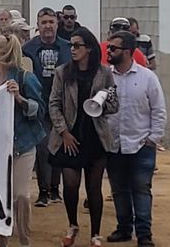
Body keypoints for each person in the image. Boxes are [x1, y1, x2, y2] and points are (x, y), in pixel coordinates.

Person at [48, 28, 119, 247]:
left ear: (89, 48)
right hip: (69, 136)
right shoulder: (62, 72)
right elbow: (54, 104)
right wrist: (64, 132)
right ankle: (73, 224)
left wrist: (102, 102)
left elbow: (115, 104)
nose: (73, 49)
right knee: (69, 185)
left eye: (77, 45)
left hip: (95, 136)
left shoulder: (105, 72)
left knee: (94, 187)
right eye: (71, 45)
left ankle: (95, 233)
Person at [0, 34, 46, 247]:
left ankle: (24, 240)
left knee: (21, 195)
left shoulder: (25, 78)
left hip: (23, 144)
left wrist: (19, 99)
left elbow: (40, 110)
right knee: (0, 196)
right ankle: (1, 241)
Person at [104, 31, 166, 247]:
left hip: (141, 144)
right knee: (118, 189)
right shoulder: (105, 77)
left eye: (113, 48)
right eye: (108, 47)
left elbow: (158, 110)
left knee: (141, 188)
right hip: (114, 144)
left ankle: (144, 234)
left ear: (128, 52)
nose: (108, 51)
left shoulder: (147, 77)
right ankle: (123, 228)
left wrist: (153, 138)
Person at [22, 7, 72, 207]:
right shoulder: (27, 49)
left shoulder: (68, 48)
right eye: (44, 22)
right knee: (42, 148)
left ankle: (55, 189)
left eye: (51, 22)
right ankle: (43, 190)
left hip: (63, 104)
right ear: (38, 26)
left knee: (59, 146)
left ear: (57, 24)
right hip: (39, 104)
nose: (48, 26)